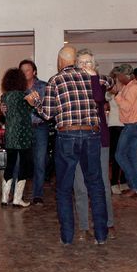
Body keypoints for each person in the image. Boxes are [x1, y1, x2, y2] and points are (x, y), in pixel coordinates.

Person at [27, 45, 113, 245]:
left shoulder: (56, 80)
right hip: (92, 134)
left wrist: (35, 103)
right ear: (75, 61)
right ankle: (101, 235)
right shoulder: (91, 76)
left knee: (64, 188)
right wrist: (94, 72)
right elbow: (110, 82)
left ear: (60, 62)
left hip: (67, 136)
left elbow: (48, 114)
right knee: (96, 185)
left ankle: (67, 237)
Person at [72, 49, 115, 241]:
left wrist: (93, 77)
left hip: (100, 139)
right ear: (76, 65)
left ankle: (108, 223)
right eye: (81, 62)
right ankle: (83, 226)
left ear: (94, 64)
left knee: (103, 184)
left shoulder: (101, 80)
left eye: (89, 62)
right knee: (80, 184)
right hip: (78, 138)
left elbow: (98, 98)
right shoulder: (71, 84)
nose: (85, 65)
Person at [0, 68, 33, 208]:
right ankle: (17, 199)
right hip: (23, 135)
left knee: (9, 165)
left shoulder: (4, 97)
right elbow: (32, 110)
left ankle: (4, 198)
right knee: (24, 166)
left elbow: (4, 116)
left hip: (10, 135)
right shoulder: (25, 96)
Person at [112, 64, 137, 198]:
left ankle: (134, 185)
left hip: (133, 125)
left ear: (125, 75)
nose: (118, 78)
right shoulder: (133, 86)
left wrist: (117, 94)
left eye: (119, 76)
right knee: (132, 156)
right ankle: (136, 187)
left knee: (119, 155)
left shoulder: (132, 88)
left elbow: (126, 107)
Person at [18, 59, 49, 205]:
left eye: (27, 70)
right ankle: (17, 194)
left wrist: (36, 103)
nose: (24, 73)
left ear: (34, 72)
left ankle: (38, 195)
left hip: (40, 128)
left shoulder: (43, 87)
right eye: (22, 70)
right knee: (19, 162)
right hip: (23, 129)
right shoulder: (17, 89)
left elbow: (49, 109)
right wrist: (4, 110)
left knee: (40, 161)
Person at [107, 67, 128, 194]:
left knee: (124, 155)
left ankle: (124, 181)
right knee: (116, 155)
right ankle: (114, 182)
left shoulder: (127, 88)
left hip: (126, 124)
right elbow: (107, 96)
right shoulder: (110, 90)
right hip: (114, 125)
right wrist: (115, 92)